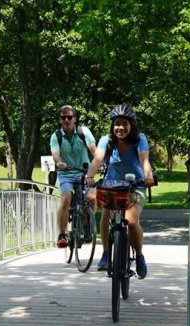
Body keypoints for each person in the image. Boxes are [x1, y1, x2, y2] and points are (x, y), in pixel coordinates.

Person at [85, 104, 154, 279]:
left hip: (135, 186)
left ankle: (139, 256)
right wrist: (89, 176)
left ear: (131, 125)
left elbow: (144, 160)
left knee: (130, 221)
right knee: (106, 214)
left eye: (124, 123)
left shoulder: (140, 139)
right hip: (112, 185)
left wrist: (148, 176)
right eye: (117, 123)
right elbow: (98, 159)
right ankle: (106, 254)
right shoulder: (106, 140)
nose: (120, 128)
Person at [51, 105, 97, 248]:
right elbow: (55, 154)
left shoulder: (84, 132)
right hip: (66, 174)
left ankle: (88, 226)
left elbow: (94, 150)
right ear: (60, 120)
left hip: (84, 172)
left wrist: (99, 162)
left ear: (74, 119)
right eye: (63, 117)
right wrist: (59, 163)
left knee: (92, 198)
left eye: (69, 117)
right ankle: (62, 234)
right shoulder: (56, 136)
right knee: (66, 199)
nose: (66, 120)